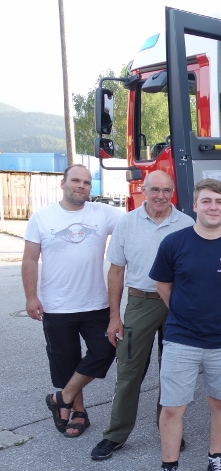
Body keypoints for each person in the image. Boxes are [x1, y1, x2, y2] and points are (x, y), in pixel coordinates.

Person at [143, 179, 221, 471]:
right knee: (172, 407)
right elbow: (163, 285)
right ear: (194, 206)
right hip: (181, 340)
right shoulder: (174, 243)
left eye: (219, 202)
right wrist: (183, 312)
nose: (213, 207)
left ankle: (215, 460)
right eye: (206, 201)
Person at [90, 171, 194, 460]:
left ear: (173, 192)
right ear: (144, 190)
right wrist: (114, 317)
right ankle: (115, 434)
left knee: (173, 371)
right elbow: (116, 272)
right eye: (155, 189)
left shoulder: (186, 224)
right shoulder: (127, 223)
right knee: (128, 369)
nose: (160, 195)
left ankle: (169, 429)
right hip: (140, 302)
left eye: (166, 190)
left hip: (176, 303)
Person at [23, 164, 122, 438]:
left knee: (105, 351)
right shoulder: (42, 218)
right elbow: (29, 259)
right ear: (63, 183)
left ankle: (61, 398)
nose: (81, 186)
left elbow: (137, 220)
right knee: (66, 361)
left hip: (96, 303)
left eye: (87, 183)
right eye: (76, 180)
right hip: (57, 305)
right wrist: (31, 297)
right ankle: (78, 412)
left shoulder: (103, 213)